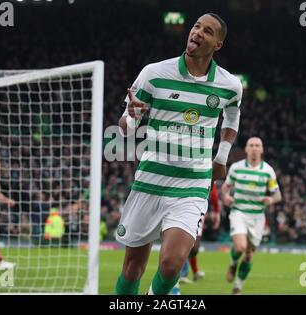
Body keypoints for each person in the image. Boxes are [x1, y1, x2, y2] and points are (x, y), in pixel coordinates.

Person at [114, 13, 243, 295]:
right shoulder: (154, 74)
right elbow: (124, 128)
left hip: (192, 185)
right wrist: (133, 117)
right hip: (150, 180)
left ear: (217, 44)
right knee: (132, 268)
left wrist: (221, 157)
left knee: (172, 265)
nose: (197, 32)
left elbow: (232, 118)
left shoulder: (229, 85)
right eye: (196, 26)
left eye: (207, 31)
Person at [221, 137, 281, 295]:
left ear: (262, 150)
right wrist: (226, 197)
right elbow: (225, 188)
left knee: (249, 255)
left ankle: (238, 286)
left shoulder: (267, 170)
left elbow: (277, 195)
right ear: (246, 149)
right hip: (239, 212)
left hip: (257, 217)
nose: (254, 148)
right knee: (241, 247)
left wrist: (270, 199)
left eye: (257, 145)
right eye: (251, 145)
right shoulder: (236, 167)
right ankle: (233, 263)